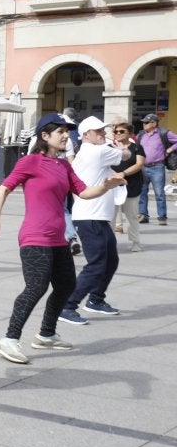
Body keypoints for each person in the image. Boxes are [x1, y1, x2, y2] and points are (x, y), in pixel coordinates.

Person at [0, 113, 124, 364]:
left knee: (66, 285)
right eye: (60, 131)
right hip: (35, 236)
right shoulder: (30, 161)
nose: (65, 136)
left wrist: (106, 186)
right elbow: (5, 187)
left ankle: (46, 334)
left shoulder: (63, 166)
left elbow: (84, 192)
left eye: (67, 131)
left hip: (58, 239)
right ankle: (9, 339)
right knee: (36, 287)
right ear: (44, 135)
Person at [58, 117, 131, 325]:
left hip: (95, 217)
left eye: (102, 130)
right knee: (97, 264)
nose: (102, 133)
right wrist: (121, 146)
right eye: (97, 131)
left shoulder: (88, 152)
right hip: (90, 217)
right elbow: (127, 155)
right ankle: (67, 306)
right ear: (85, 135)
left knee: (111, 260)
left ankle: (96, 299)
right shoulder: (97, 152)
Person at [135, 113, 177, 224]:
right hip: (143, 167)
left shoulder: (164, 133)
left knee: (159, 193)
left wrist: (170, 149)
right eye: (143, 122)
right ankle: (143, 215)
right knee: (142, 192)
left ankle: (162, 217)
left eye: (146, 122)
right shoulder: (141, 134)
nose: (144, 124)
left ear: (154, 123)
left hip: (157, 167)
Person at [110, 120, 144, 253]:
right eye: (115, 131)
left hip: (132, 186)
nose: (118, 133)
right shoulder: (109, 147)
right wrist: (115, 175)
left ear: (129, 133)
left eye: (121, 131)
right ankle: (110, 243)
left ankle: (135, 242)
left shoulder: (136, 147)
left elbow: (139, 164)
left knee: (132, 216)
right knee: (110, 217)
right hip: (113, 186)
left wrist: (123, 173)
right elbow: (104, 164)